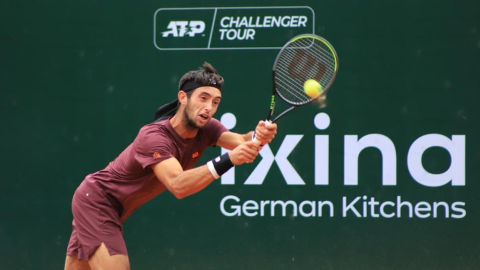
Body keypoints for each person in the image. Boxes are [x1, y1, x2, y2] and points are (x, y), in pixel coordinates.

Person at [64, 62, 278, 270]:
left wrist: (258, 135)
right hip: (96, 202)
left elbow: (241, 141)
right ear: (183, 97)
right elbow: (178, 185)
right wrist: (229, 159)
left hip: (116, 208)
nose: (209, 107)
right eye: (203, 98)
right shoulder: (154, 137)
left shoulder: (207, 128)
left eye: (215, 102)